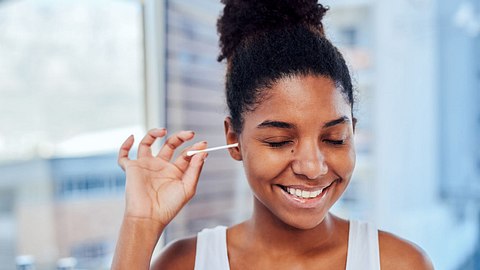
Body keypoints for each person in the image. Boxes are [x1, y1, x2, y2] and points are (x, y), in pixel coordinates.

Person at [111, 0, 434, 269]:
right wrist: (140, 223)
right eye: (280, 141)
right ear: (234, 139)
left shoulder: (400, 263)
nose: (313, 167)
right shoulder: (186, 263)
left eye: (334, 138)